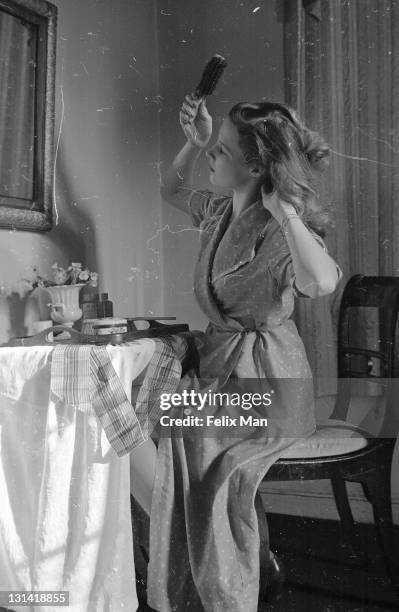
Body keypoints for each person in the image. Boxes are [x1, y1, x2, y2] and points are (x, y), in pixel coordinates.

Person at [146, 94, 342, 612]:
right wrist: (194, 143)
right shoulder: (216, 211)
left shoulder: (281, 229)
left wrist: (286, 213)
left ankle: (230, 588)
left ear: (257, 165)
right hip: (222, 372)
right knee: (162, 424)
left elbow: (321, 282)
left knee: (190, 442)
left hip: (271, 381)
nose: (214, 155)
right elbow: (169, 187)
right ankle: (235, 569)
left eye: (222, 150)